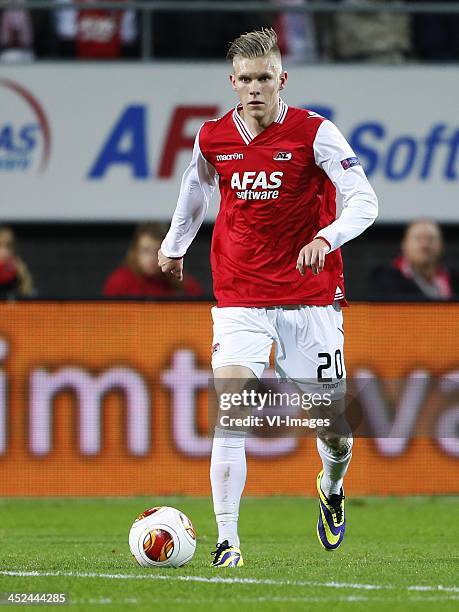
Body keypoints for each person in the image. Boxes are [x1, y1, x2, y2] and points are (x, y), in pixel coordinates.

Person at [159, 28, 378, 566]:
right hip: (239, 295)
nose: (256, 88)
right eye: (246, 79)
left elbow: (365, 200)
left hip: (311, 297)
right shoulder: (212, 137)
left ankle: (330, 486)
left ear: (283, 79)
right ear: (233, 82)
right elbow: (196, 188)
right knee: (229, 412)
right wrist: (174, 244)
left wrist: (327, 237)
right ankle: (227, 540)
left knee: (337, 432)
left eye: (265, 78)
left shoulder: (316, 133)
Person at [103, 222, 203, 298]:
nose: (151, 258)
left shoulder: (186, 286)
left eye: (157, 251)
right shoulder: (119, 283)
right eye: (145, 250)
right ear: (135, 251)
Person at [369, 220, 459, 300]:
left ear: (441, 246)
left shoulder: (454, 280)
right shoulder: (384, 280)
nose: (424, 245)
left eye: (431, 239)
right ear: (404, 245)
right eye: (418, 238)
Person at [0, 226, 34, 298]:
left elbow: (27, 292)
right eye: (0, 245)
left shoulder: (19, 267)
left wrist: (23, 279)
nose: (4, 251)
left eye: (8, 246)